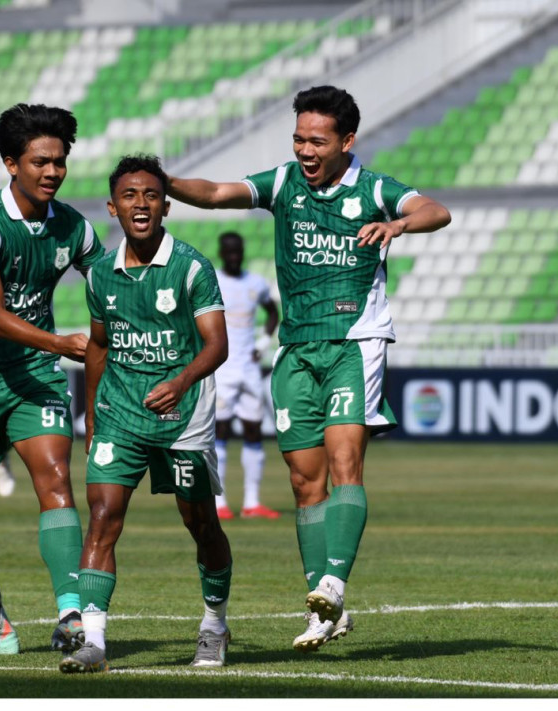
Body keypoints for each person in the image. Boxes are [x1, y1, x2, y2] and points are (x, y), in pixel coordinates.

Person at [166, 85, 451, 652]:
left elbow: (434, 210)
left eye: (316, 140)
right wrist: (163, 182)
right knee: (303, 481)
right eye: (298, 138)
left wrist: (397, 226)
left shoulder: (374, 189)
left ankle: (333, 584)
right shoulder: (284, 184)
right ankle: (326, 611)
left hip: (355, 341)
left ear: (347, 141)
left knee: (345, 463)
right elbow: (219, 192)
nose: (304, 149)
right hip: (295, 350)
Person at [0, 103, 105, 655]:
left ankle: (71, 614)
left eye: (60, 161)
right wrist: (64, 342)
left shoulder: (74, 227)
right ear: (11, 163)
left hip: (35, 376)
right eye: (40, 162)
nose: (52, 172)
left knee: (56, 480)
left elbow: (110, 282)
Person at [60, 155, 232, 674]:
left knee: (199, 522)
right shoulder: (99, 276)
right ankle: (94, 643)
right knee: (102, 518)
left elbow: (217, 345)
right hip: (119, 414)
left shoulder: (191, 267)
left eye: (151, 195)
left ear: (166, 206)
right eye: (130, 196)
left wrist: (179, 382)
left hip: (184, 415)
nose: (141, 204)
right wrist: (91, 416)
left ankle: (214, 626)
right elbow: (97, 346)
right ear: (113, 208)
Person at [212, 231, 281, 521]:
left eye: (237, 252)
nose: (234, 257)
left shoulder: (255, 283)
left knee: (254, 431)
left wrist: (263, 345)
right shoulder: (212, 281)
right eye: (229, 252)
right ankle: (219, 503)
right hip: (222, 369)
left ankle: (252, 502)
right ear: (221, 253)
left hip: (249, 370)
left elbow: (273, 314)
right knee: (220, 433)